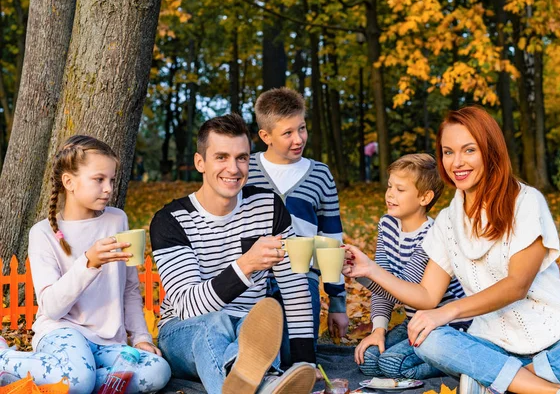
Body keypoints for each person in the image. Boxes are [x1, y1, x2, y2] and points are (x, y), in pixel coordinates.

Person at [343, 106, 560, 394]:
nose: (456, 162)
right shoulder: (447, 221)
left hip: (558, 338)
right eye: (448, 152)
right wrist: (369, 269)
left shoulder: (526, 201)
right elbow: (427, 295)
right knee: (430, 339)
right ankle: (556, 389)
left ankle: (499, 380)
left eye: (468, 150)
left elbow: (517, 285)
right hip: (490, 342)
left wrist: (448, 313)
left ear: (489, 151)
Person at [150, 114, 317, 394]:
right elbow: (188, 307)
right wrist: (246, 265)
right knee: (215, 322)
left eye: (242, 158)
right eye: (222, 157)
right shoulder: (172, 220)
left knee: (261, 323)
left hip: (251, 332)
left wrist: (306, 363)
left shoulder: (268, 207)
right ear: (200, 162)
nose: (234, 168)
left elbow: (294, 288)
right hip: (186, 332)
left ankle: (255, 384)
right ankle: (266, 382)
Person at [22, 135, 170, 394]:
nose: (109, 188)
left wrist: (142, 338)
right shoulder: (42, 233)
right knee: (79, 378)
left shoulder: (117, 220)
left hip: (109, 343)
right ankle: (6, 358)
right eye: (99, 179)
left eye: (111, 180)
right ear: (69, 182)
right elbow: (52, 308)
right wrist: (88, 263)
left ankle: (76, 380)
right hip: (62, 332)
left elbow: (130, 290)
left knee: (157, 370)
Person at [247, 87, 349, 365]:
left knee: (295, 358)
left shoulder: (320, 175)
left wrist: (337, 303)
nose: (299, 139)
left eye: (302, 128)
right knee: (259, 357)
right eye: (288, 133)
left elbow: (331, 241)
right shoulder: (245, 170)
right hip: (252, 280)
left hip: (302, 280)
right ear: (265, 136)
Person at [354, 154, 470, 380]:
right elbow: (384, 284)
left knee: (391, 364)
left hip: (447, 325)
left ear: (425, 197)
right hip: (413, 320)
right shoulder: (387, 225)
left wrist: (364, 272)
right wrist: (378, 331)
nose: (390, 194)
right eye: (389, 186)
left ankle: (455, 364)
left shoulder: (431, 235)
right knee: (368, 359)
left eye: (400, 189)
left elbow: (405, 291)